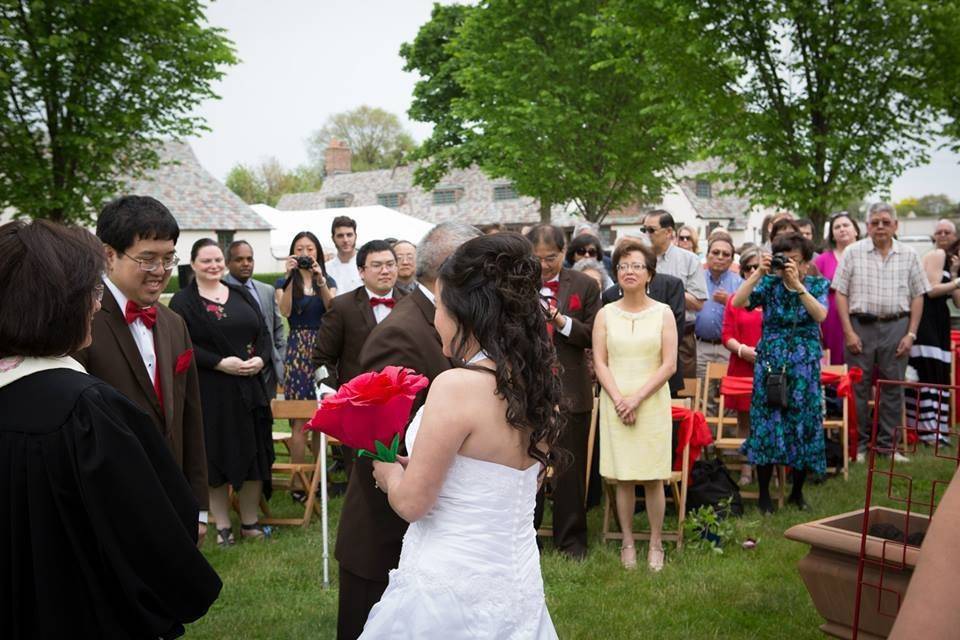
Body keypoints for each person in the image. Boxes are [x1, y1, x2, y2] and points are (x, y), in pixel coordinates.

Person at [0, 219, 221, 638]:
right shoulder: (87, 413)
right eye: (90, 292)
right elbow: (155, 544)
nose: (97, 305)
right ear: (55, 304)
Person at [364, 232, 561, 638]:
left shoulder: (456, 386)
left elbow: (411, 503)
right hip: (516, 581)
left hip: (449, 584)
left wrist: (386, 469)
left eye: (439, 305)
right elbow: (502, 483)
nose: (436, 317)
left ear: (465, 313)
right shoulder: (536, 386)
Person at [335, 222, 479, 640]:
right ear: (453, 270)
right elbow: (377, 445)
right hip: (386, 540)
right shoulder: (401, 333)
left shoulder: (456, 320)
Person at [74, 195, 209, 543]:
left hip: (173, 500)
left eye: (168, 258)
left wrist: (199, 507)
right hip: (108, 506)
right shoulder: (78, 324)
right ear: (108, 255)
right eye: (147, 259)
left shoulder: (174, 323)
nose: (161, 271)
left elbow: (190, 420)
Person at [170, 239, 275, 545]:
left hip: (250, 389)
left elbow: (264, 334)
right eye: (206, 261)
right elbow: (183, 345)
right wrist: (219, 363)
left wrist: (261, 359)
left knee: (255, 452)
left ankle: (250, 522)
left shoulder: (242, 294)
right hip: (211, 391)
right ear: (193, 265)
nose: (214, 265)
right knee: (214, 455)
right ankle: (223, 526)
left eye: (218, 260)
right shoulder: (183, 302)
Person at [592, 239, 677, 571]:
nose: (629, 271)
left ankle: (656, 542)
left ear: (650, 274)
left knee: (654, 476)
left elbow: (668, 364)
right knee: (624, 477)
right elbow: (600, 362)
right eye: (623, 266)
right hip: (615, 402)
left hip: (651, 402)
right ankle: (627, 540)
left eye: (636, 266)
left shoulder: (663, 313)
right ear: (616, 273)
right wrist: (618, 399)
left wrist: (637, 399)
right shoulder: (605, 314)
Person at [732, 232, 829, 513]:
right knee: (767, 422)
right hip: (772, 361)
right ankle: (764, 494)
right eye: (786, 260)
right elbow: (738, 303)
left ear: (807, 263)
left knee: (802, 423)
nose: (790, 265)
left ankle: (797, 492)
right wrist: (758, 274)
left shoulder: (816, 284)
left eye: (796, 260)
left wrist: (797, 284)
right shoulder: (769, 285)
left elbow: (820, 315)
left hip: (804, 363)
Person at [527, 224, 602, 561]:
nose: (544, 265)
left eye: (552, 258)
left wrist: (561, 321)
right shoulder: (518, 284)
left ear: (564, 251)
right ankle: (527, 535)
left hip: (572, 388)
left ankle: (571, 541)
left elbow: (592, 335)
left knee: (569, 469)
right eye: (538, 259)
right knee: (529, 465)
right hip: (530, 388)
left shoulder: (585, 285)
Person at [833, 202, 930, 462]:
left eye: (886, 222)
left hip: (896, 326)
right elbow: (840, 293)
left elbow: (919, 295)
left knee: (893, 388)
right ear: (867, 226)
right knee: (858, 388)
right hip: (860, 327)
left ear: (895, 225)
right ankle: (860, 448)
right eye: (875, 222)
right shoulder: (853, 253)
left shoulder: (909, 254)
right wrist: (848, 332)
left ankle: (889, 448)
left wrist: (911, 334)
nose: (880, 227)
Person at [312, 240, 404, 483]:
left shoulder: (413, 303)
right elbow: (322, 358)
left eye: (390, 264)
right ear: (361, 271)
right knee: (362, 480)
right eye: (377, 265)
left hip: (405, 406)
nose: (385, 270)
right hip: (358, 408)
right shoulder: (342, 307)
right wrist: (328, 391)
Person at [276, 231, 337, 500]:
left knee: (320, 419)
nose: (305, 253)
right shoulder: (284, 281)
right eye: (299, 248)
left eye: (309, 249)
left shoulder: (328, 279)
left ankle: (319, 479)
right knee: (300, 420)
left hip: (322, 346)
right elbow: (285, 311)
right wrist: (290, 278)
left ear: (317, 253)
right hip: (298, 350)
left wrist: (320, 279)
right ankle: (297, 484)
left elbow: (333, 308)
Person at [642, 210, 707, 379]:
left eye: (651, 230)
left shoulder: (689, 260)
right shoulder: (639, 261)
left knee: (680, 396)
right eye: (644, 230)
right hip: (642, 336)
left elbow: (699, 304)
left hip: (681, 338)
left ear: (669, 232)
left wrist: (672, 289)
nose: (647, 235)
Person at [906, 239, 960, 445]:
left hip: (941, 323)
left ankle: (937, 429)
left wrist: (955, 273)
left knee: (939, 374)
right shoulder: (938, 255)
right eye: (940, 232)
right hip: (925, 321)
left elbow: (958, 302)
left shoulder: (953, 265)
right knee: (927, 372)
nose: (943, 235)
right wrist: (956, 281)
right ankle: (924, 430)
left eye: (948, 232)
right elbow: (930, 290)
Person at [722, 246, 764, 485]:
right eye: (748, 267)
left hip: (769, 367)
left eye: (757, 267)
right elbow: (726, 334)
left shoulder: (774, 298)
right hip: (741, 365)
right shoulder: (734, 299)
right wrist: (742, 350)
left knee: (771, 419)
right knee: (745, 421)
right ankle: (747, 469)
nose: (752, 271)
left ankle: (772, 471)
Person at [223, 240, 285, 395]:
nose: (245, 264)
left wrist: (280, 358)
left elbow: (277, 328)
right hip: (230, 374)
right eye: (239, 259)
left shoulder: (267, 291)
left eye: (249, 259)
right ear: (227, 263)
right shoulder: (218, 290)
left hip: (266, 374)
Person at [813, 213, 862, 364]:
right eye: (837, 227)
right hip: (831, 319)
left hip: (861, 317)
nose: (842, 229)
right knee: (834, 362)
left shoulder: (867, 256)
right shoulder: (821, 260)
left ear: (856, 231)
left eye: (846, 225)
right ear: (832, 235)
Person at [695, 234, 743, 383]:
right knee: (702, 395)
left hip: (728, 349)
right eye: (715, 253)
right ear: (707, 255)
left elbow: (748, 314)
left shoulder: (740, 283)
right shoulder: (696, 279)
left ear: (731, 259)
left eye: (726, 254)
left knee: (726, 395)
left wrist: (729, 300)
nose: (720, 257)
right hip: (701, 346)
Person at [325, 215, 363, 293]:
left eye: (349, 235)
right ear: (333, 239)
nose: (345, 240)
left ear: (355, 236)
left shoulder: (366, 266)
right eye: (340, 236)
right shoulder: (326, 269)